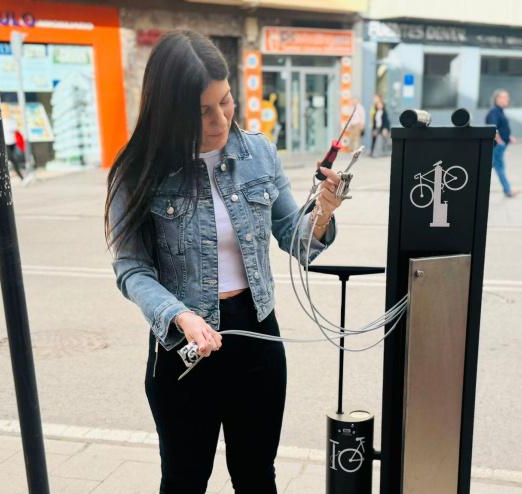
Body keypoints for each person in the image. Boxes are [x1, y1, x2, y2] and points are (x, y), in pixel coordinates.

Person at [104, 31, 344, 494]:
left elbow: (297, 241)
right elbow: (131, 269)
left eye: (226, 101)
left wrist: (325, 210)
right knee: (184, 478)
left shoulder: (259, 153)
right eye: (201, 111)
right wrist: (180, 316)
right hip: (184, 347)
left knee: (257, 476)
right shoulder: (137, 171)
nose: (219, 120)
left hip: (256, 336)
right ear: (168, 110)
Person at [485, 89, 519, 198]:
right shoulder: (494, 112)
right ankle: (507, 190)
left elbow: (501, 127)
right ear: (498, 99)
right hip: (496, 146)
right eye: (505, 97)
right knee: (499, 167)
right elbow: (492, 128)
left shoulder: (500, 111)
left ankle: (507, 190)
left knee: (490, 167)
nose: (507, 99)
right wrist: (500, 141)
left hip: (499, 146)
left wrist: (509, 137)